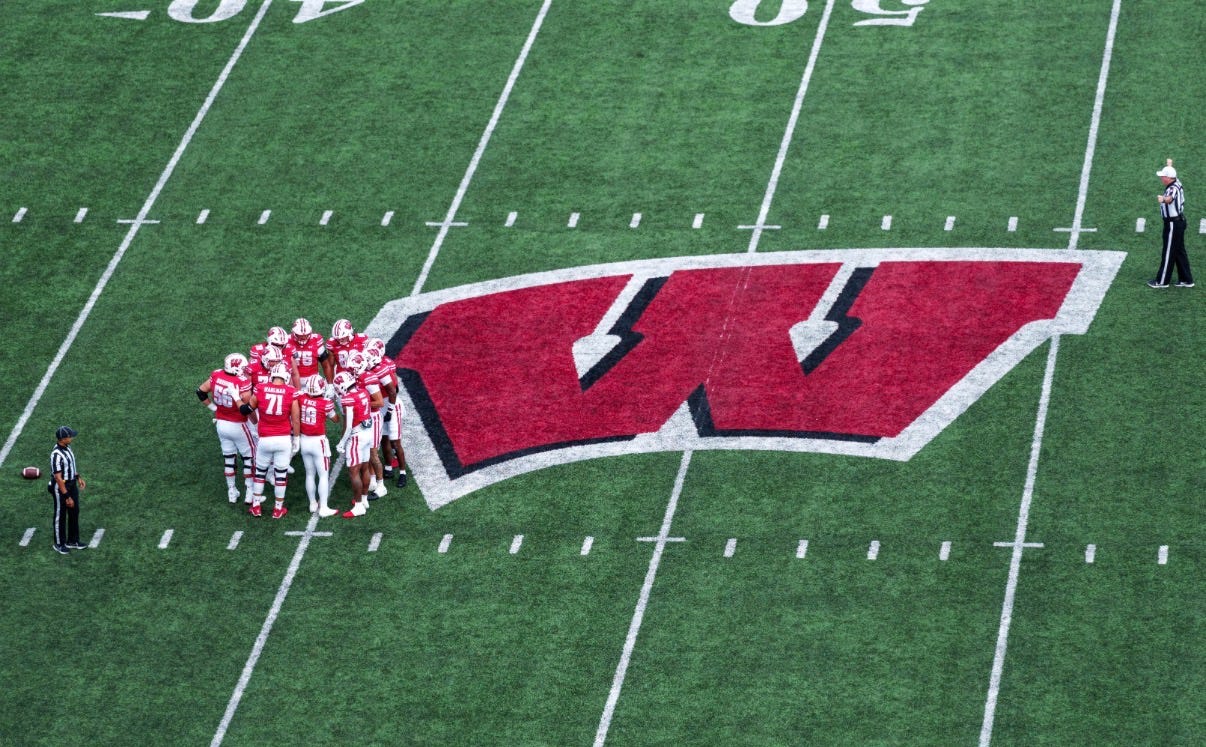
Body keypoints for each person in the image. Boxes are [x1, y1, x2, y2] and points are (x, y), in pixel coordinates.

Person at [197, 352, 256, 503]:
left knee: (229, 458)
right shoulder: (242, 381)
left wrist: (213, 408)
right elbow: (248, 407)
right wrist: (256, 423)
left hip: (221, 424)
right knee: (249, 457)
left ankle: (232, 491)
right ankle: (249, 491)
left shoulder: (216, 375)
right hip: (239, 424)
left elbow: (201, 392)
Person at [244, 363, 300, 519]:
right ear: (286, 376)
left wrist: (236, 398)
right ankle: (277, 509)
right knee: (280, 475)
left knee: (260, 473)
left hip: (265, 438)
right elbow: (295, 418)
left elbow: (248, 409)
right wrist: (296, 438)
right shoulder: (291, 391)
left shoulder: (261, 389)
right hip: (283, 439)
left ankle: (256, 506)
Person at [298, 374, 340, 517]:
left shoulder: (301, 398)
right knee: (323, 475)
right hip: (318, 442)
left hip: (303, 440)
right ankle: (324, 508)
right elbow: (336, 419)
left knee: (309, 474)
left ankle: (312, 503)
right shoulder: (325, 403)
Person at [333, 371, 373, 518]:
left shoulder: (348, 399)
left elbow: (348, 425)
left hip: (356, 436)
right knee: (365, 467)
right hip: (368, 433)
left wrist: (341, 443)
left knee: (354, 472)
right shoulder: (363, 392)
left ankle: (358, 506)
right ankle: (364, 499)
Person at [1149, 159, 1194, 289]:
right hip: (1179, 222)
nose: (1161, 178)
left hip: (1173, 225)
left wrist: (1163, 199)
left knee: (1168, 252)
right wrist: (1169, 166)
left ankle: (1162, 281)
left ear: (1168, 178)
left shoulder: (1172, 189)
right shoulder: (1176, 181)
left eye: (1163, 176)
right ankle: (1186, 279)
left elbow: (1170, 199)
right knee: (1179, 252)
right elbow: (1172, 176)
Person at [49, 426, 87, 554]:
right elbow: (59, 479)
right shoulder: (56, 455)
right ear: (63, 439)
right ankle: (59, 543)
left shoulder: (67, 448)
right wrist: (67, 497)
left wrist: (78, 477)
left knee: (74, 511)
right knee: (60, 514)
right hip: (60, 487)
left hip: (70, 483)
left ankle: (72, 540)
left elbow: (70, 466)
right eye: (70, 436)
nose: (72, 437)